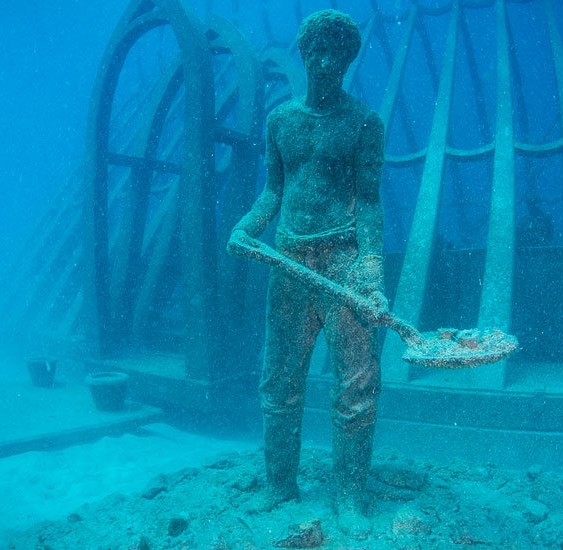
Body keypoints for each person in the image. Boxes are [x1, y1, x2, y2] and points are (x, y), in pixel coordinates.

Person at [227, 9, 386, 529]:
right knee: (279, 380)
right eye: (315, 51)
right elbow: (275, 190)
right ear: (302, 54)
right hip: (290, 263)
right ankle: (279, 485)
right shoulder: (282, 122)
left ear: (348, 59)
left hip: (343, 265)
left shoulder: (364, 124)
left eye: (336, 53)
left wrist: (371, 267)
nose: (324, 62)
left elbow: (368, 201)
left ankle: (350, 497)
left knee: (356, 386)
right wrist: (247, 225)